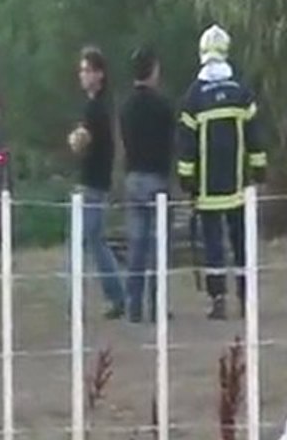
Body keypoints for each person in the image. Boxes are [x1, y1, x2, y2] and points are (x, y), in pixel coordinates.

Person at [177, 24, 267, 320]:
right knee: (241, 243)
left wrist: (186, 180)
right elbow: (254, 136)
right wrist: (259, 170)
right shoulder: (241, 93)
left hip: (207, 191)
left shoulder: (193, 96)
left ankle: (218, 301)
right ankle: (245, 298)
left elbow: (186, 145)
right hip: (239, 187)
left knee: (213, 246)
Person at [68, 46, 126, 319]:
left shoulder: (95, 108)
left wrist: (73, 139)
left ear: (99, 74)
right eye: (81, 70)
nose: (83, 75)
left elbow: (82, 141)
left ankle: (79, 300)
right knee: (95, 241)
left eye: (87, 70)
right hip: (96, 182)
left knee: (80, 243)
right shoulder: (100, 105)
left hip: (92, 183)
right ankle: (117, 294)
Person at [120, 47, 175, 323]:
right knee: (159, 247)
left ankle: (133, 307)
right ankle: (158, 304)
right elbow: (170, 143)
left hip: (133, 177)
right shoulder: (163, 106)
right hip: (157, 178)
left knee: (137, 246)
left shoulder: (126, 106)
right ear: (153, 70)